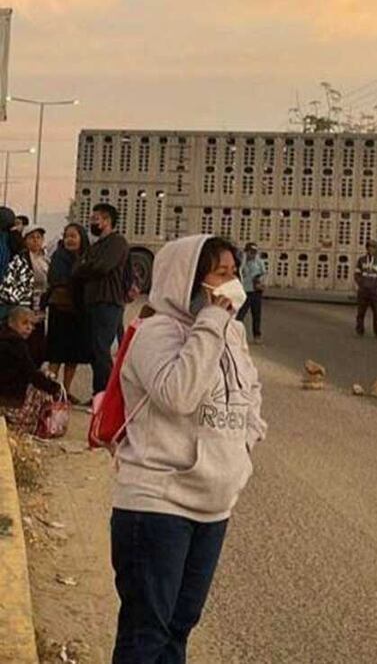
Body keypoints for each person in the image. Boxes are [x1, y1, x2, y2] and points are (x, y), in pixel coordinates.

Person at [111, 235, 266, 663]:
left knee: (179, 629)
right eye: (221, 274)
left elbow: (249, 393)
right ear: (188, 281)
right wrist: (212, 320)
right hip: (158, 505)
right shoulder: (155, 332)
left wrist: (244, 448)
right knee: (146, 633)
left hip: (213, 508)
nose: (232, 283)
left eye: (234, 273)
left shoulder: (232, 334)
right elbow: (179, 395)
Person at [71, 203, 130, 395]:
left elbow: (102, 267)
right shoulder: (95, 246)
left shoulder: (117, 243)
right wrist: (88, 266)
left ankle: (105, 394)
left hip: (108, 302)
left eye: (95, 219)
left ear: (107, 220)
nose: (92, 222)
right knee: (95, 351)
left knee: (102, 350)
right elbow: (77, 269)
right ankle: (99, 393)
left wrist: (87, 266)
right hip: (93, 302)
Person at [45, 223, 92, 404]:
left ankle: (66, 391)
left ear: (82, 238)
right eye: (67, 236)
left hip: (79, 312)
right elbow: (57, 279)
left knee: (73, 356)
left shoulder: (87, 256)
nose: (69, 240)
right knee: (56, 354)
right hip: (61, 311)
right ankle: (50, 391)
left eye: (73, 236)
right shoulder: (59, 256)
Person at [0, 306, 62, 435]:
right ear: (11, 323)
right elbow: (32, 374)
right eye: (24, 323)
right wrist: (54, 388)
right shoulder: (17, 344)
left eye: (32, 325)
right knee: (40, 391)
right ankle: (24, 425)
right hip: (9, 400)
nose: (29, 328)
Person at [22, 226, 50, 364]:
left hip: (41, 304)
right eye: (31, 237)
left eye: (38, 237)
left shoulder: (45, 258)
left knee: (39, 338)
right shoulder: (22, 258)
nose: (35, 240)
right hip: (27, 304)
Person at [354, 240, 377, 338]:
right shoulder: (361, 260)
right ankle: (360, 329)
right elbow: (357, 274)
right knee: (361, 312)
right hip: (363, 291)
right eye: (369, 247)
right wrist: (361, 284)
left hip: (376, 292)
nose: (371, 249)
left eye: (373, 247)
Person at [236, 242, 267, 344]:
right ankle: (235, 333)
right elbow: (239, 272)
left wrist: (260, 281)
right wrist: (244, 260)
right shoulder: (242, 262)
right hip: (245, 290)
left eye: (254, 252)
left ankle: (257, 335)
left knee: (256, 314)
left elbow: (264, 273)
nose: (252, 255)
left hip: (256, 291)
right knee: (241, 314)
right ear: (246, 252)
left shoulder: (258, 262)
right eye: (250, 252)